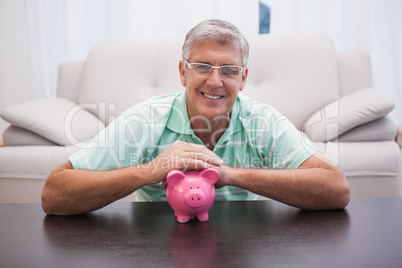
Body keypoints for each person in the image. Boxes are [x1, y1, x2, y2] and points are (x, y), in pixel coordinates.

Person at [41, 19, 350, 215]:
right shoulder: (145, 120)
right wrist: (150, 170)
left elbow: (336, 189)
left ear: (243, 80)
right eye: (202, 67)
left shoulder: (262, 121)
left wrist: (230, 174)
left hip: (242, 246)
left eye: (228, 71)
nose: (215, 82)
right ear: (182, 72)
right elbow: (54, 194)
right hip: (153, 246)